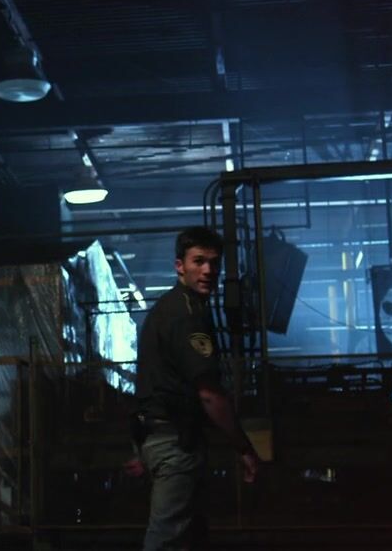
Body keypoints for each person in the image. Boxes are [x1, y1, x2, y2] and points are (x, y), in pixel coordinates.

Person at [129, 226, 260, 550]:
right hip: (175, 443)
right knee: (167, 538)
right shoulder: (187, 316)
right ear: (180, 266)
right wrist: (243, 447)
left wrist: (141, 447)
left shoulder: (168, 309)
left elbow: (151, 382)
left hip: (160, 437)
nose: (208, 270)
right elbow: (209, 395)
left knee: (187, 535)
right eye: (198, 261)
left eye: (214, 263)